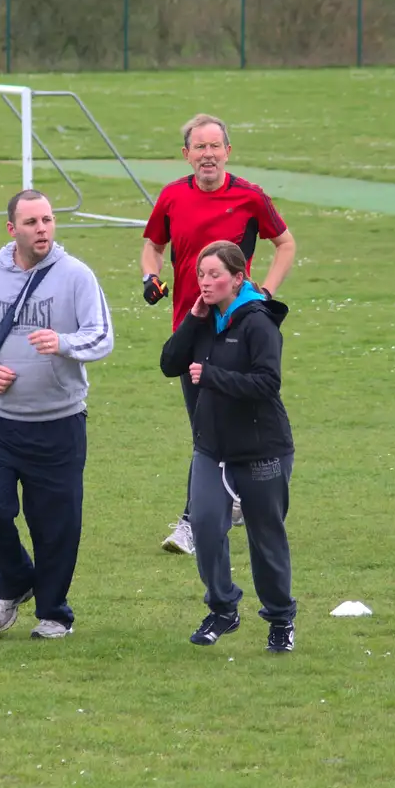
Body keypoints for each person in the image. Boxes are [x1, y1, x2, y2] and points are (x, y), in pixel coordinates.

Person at [0, 190, 114, 639]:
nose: (42, 229)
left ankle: (54, 613)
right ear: (12, 230)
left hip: (59, 424)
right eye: (31, 222)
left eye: (47, 220)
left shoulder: (76, 276)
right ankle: (14, 579)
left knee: (56, 525)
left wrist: (63, 343)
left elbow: (101, 336)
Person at [142, 113, 297, 556]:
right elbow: (152, 245)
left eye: (215, 146)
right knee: (204, 426)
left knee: (238, 417)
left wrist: (265, 291)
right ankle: (228, 502)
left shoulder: (249, 197)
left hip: (237, 326)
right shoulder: (172, 197)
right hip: (191, 327)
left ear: (228, 151)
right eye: (199, 146)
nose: (207, 154)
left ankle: (201, 517)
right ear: (186, 154)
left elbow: (285, 243)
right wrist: (149, 276)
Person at [160, 241, 298, 652]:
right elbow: (170, 364)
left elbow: (267, 383)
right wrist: (191, 318)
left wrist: (214, 376)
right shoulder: (204, 318)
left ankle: (280, 620)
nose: (205, 282)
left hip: (262, 450)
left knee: (265, 537)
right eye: (201, 275)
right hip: (211, 449)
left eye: (215, 275)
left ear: (238, 279)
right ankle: (223, 608)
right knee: (203, 526)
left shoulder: (258, 324)